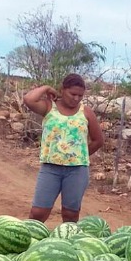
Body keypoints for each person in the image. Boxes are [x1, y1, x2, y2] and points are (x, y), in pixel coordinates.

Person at [23, 73, 105, 223]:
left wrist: (80, 155)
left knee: (70, 214)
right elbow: (28, 99)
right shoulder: (49, 107)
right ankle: (29, 242)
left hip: (77, 170)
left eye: (80, 95)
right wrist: (47, 88)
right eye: (72, 94)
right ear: (62, 89)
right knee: (38, 213)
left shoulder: (86, 112)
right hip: (50, 168)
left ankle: (67, 243)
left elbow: (98, 140)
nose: (76, 98)